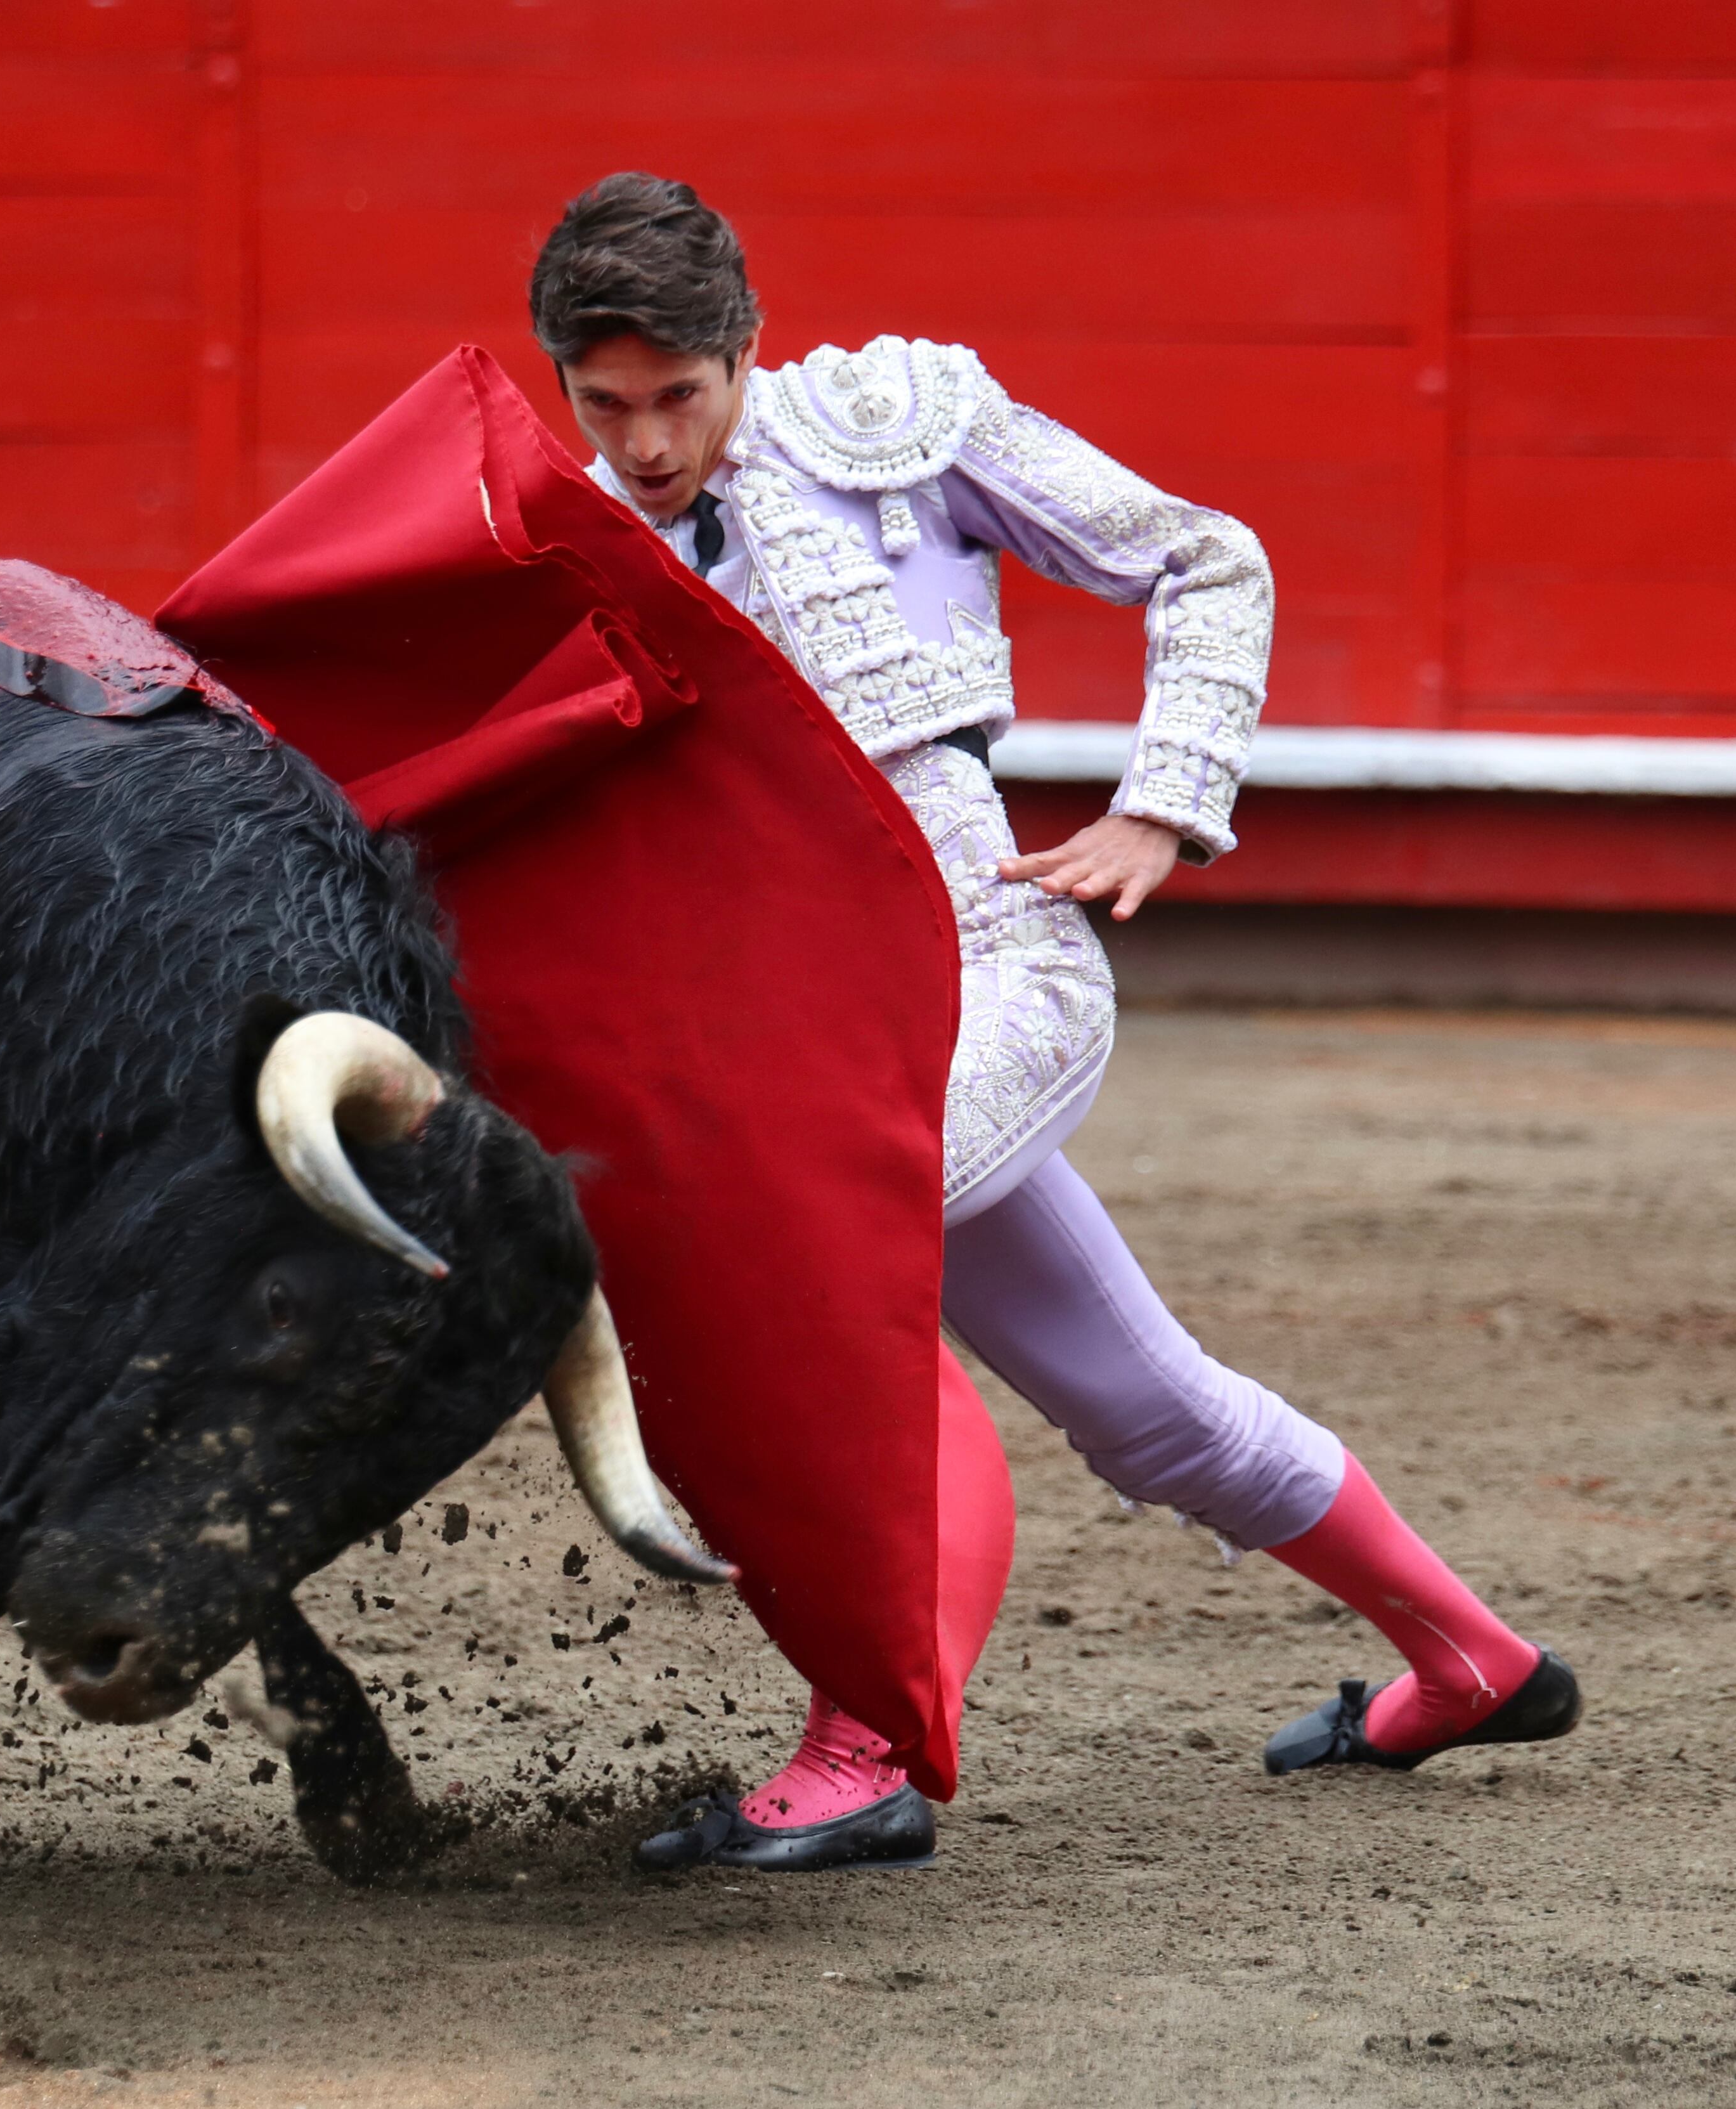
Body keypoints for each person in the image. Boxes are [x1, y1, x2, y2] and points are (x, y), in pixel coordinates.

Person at [515, 174, 1583, 1877]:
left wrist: (1162, 808)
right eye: (607, 406)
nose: (648, 443)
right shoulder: (561, 535)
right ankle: (1474, 1660)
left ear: (748, 352)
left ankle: (868, 1746)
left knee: (821, 1283)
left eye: (681, 397)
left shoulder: (893, 430)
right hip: (800, 1030)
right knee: (1146, 1406)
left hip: (989, 964)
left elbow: (1206, 563)